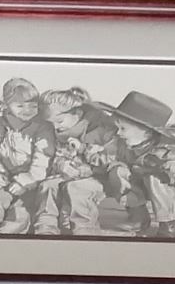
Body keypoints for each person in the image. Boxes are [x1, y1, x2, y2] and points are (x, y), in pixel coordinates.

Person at [88, 90, 175, 239]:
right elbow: (107, 157)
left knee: (154, 177)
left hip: (174, 188)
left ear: (145, 131)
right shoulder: (123, 144)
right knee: (118, 170)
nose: (118, 133)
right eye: (117, 128)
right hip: (143, 184)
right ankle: (138, 218)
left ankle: (169, 224)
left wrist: (168, 171)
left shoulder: (169, 148)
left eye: (123, 129)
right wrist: (88, 153)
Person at [26, 87, 120, 235]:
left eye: (59, 121)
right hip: (70, 176)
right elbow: (57, 155)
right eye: (51, 123)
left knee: (76, 188)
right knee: (48, 186)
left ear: (78, 113)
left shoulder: (101, 129)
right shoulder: (61, 134)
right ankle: (45, 227)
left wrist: (85, 156)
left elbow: (113, 157)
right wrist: (61, 165)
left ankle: (84, 229)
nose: (56, 127)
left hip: (99, 178)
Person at [0, 77, 54, 234]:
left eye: (33, 106)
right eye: (20, 106)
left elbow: (43, 160)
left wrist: (25, 182)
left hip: (34, 182)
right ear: (6, 105)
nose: (27, 110)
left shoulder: (43, 128)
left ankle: (6, 237)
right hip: (8, 179)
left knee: (20, 213)